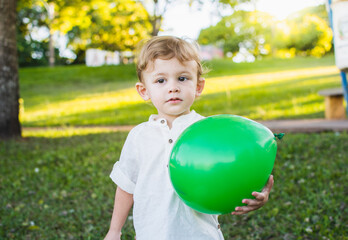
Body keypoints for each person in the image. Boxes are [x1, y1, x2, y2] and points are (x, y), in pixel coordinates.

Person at [104, 36, 274, 240]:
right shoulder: (139, 136)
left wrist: (259, 195)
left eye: (182, 78)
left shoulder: (209, 132)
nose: (173, 87)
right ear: (144, 91)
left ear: (199, 86)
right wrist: (114, 231)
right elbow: (126, 186)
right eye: (161, 80)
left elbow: (238, 167)